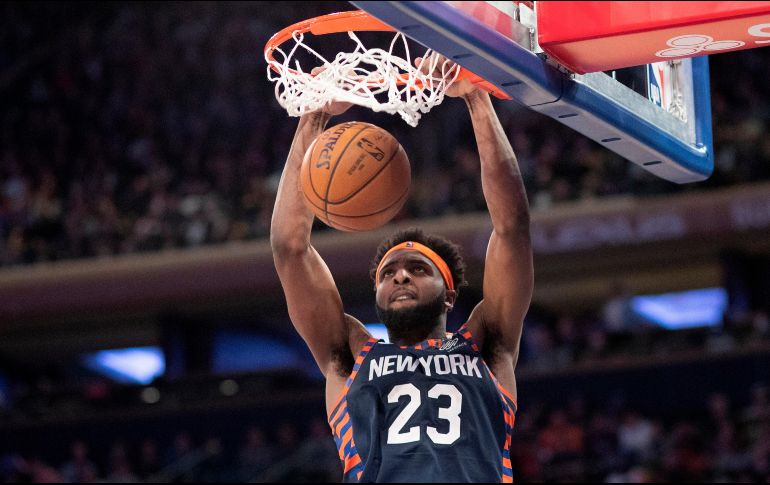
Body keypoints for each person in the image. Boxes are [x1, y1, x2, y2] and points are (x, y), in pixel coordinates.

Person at [270, 62, 533, 482]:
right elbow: (289, 248)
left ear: (449, 294)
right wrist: (313, 116)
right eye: (388, 272)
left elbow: (512, 228)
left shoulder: (487, 344)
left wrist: (475, 97)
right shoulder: (350, 354)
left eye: (417, 268)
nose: (401, 276)